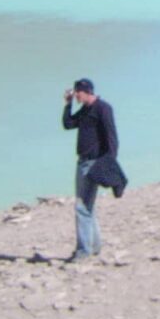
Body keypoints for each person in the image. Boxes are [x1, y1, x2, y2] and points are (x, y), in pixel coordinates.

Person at [62, 78, 118, 261]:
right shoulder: (85, 111)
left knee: (81, 207)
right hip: (82, 163)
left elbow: (112, 139)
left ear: (86, 91)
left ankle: (84, 251)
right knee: (87, 207)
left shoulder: (103, 108)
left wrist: (109, 164)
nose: (76, 95)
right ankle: (93, 246)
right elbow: (68, 124)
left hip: (94, 164)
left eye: (77, 92)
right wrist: (68, 105)